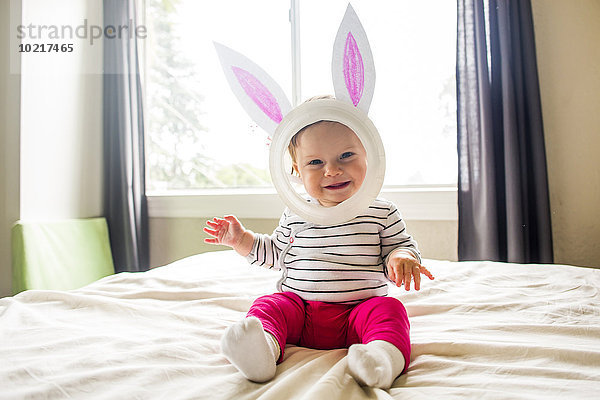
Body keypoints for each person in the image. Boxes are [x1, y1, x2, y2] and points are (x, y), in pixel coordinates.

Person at [203, 115, 434, 389]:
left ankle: (382, 359)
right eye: (315, 162)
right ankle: (262, 350)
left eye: (346, 155)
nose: (333, 170)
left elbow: (399, 246)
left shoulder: (381, 211)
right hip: (301, 313)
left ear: (369, 157)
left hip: (358, 312)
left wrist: (401, 258)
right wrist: (242, 240)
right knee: (270, 304)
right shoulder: (296, 213)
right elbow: (278, 253)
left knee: (389, 309)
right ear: (297, 172)